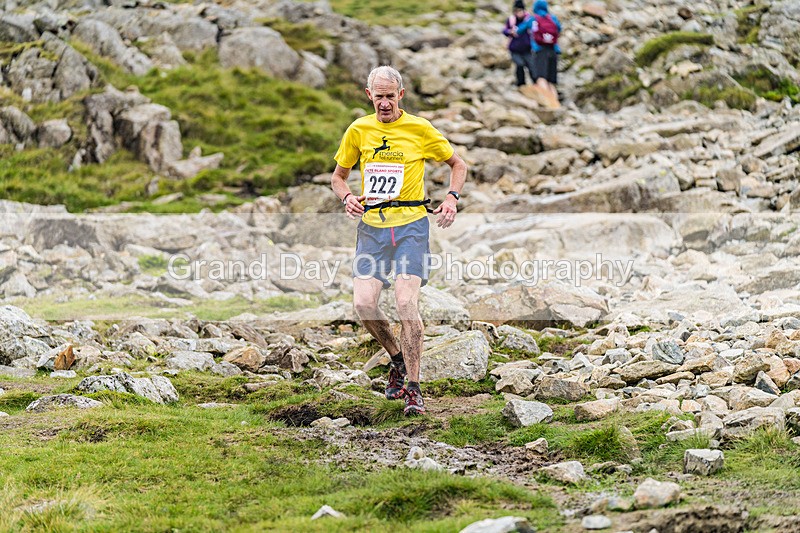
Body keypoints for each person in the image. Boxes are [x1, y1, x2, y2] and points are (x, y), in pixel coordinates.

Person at [330, 66, 467, 416]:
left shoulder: (419, 128)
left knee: (406, 303)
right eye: (379, 97)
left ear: (401, 95)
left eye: (391, 96)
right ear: (369, 95)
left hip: (411, 227)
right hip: (372, 228)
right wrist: (347, 197)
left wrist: (451, 199)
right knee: (364, 304)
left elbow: (458, 164)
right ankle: (396, 359)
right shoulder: (358, 130)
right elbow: (338, 177)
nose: (385, 103)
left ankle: (414, 389)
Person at [516, 0, 562, 106]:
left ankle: (548, 104)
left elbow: (519, 30)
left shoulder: (533, 19)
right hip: (553, 50)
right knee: (551, 81)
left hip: (540, 51)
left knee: (541, 78)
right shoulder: (552, 18)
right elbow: (559, 29)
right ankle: (556, 104)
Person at [503, 0, 536, 87]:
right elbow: (504, 30)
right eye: (516, 11)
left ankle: (536, 84)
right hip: (514, 49)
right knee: (520, 65)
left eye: (520, 10)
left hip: (527, 49)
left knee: (531, 66)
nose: (518, 13)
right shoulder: (511, 20)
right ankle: (521, 84)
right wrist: (510, 32)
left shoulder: (529, 20)